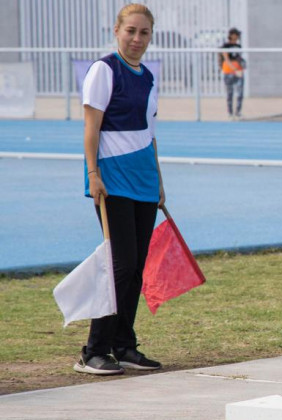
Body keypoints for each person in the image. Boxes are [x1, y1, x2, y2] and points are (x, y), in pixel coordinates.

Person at [76, 3, 165, 376]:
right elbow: (91, 128)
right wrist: (93, 173)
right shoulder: (103, 70)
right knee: (120, 264)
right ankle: (92, 350)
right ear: (117, 31)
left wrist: (160, 182)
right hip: (112, 181)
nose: (136, 39)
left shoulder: (147, 76)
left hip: (144, 181)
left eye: (144, 33)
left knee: (137, 268)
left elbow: (150, 134)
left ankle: (124, 345)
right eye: (130, 31)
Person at [220, 27, 244, 119]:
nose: (237, 36)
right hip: (228, 70)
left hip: (238, 71)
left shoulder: (238, 46)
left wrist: (241, 66)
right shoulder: (225, 46)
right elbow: (226, 58)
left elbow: (238, 58)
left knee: (240, 93)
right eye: (236, 34)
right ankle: (230, 113)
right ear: (231, 35)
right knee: (230, 93)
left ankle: (238, 112)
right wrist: (234, 68)